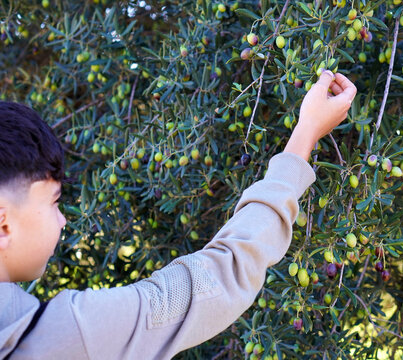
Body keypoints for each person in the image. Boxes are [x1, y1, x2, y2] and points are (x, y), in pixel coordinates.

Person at [0, 70, 356, 359]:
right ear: (3, 223)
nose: (63, 219)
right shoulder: (69, 334)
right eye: (53, 201)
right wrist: (305, 133)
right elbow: (220, 276)